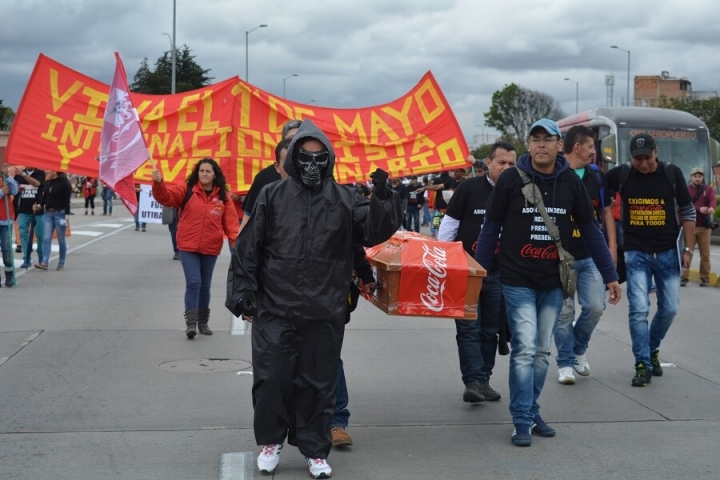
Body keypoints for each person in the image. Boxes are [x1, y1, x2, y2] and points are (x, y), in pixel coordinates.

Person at [227, 119, 401, 478]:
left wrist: (383, 198)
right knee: (272, 377)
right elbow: (248, 249)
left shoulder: (345, 198)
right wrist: (244, 294)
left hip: (324, 308)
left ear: (329, 160)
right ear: (291, 160)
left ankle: (314, 449)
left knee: (318, 382)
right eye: (303, 157)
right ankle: (271, 441)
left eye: (318, 157)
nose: (310, 165)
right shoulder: (272, 196)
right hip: (275, 307)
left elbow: (372, 232)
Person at [474, 119, 621, 447]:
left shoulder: (571, 182)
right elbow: (490, 226)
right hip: (517, 279)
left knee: (541, 352)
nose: (541, 145)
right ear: (529, 144)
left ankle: (531, 408)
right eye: (535, 139)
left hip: (555, 282)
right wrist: (479, 271)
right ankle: (522, 418)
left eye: (548, 139)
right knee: (525, 348)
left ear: (559, 146)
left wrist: (610, 275)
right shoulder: (511, 179)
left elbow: (590, 229)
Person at [606, 133, 695, 387]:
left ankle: (651, 348)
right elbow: (593, 185)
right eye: (637, 159)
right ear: (631, 157)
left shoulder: (671, 173)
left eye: (647, 157)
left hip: (668, 252)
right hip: (636, 253)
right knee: (639, 309)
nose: (643, 163)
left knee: (669, 309)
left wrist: (688, 249)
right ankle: (642, 363)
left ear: (656, 152)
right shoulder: (622, 175)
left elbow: (688, 212)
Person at [438, 141, 517, 403]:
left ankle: (484, 380)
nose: (506, 168)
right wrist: (444, 262)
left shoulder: (520, 191)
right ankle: (472, 382)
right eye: (501, 163)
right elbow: (449, 226)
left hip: (499, 274)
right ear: (489, 163)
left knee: (491, 330)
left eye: (512, 164)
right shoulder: (469, 188)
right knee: (469, 329)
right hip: (466, 272)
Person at [552, 126, 617, 385]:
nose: (594, 152)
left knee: (595, 307)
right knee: (564, 313)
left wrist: (611, 248)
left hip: (590, 255)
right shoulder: (555, 175)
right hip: (561, 257)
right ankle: (565, 362)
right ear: (577, 147)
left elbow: (606, 213)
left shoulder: (596, 176)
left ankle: (578, 349)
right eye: (591, 146)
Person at [152, 158, 238, 339]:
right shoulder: (187, 189)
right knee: (194, 283)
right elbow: (166, 197)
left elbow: (231, 225)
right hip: (188, 246)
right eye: (201, 171)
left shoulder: (223, 196)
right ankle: (191, 324)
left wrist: (236, 246)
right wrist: (158, 183)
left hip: (211, 247)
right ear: (197, 173)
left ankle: (203, 322)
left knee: (205, 286)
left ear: (215, 174)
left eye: (208, 171)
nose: (204, 174)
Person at [330, 244, 377, 448]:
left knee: (329, 356)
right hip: (288, 291)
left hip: (331, 292)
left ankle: (336, 422)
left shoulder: (339, 211)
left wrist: (367, 276)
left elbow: (352, 237)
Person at [238, 119, 302, 233]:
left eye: (300, 138)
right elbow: (248, 218)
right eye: (291, 138)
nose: (295, 142)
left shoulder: (318, 176)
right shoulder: (264, 177)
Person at [681, 167, 716, 287]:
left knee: (705, 254)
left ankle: (704, 278)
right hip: (690, 226)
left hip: (704, 227)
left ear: (702, 178)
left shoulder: (708, 189)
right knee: (687, 252)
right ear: (691, 177)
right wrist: (699, 209)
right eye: (695, 176)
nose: (697, 179)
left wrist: (711, 208)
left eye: (699, 176)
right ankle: (684, 277)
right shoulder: (686, 190)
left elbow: (713, 201)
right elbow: (684, 205)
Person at [34, 170, 72, 271]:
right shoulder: (47, 182)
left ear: (55, 171)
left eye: (50, 170)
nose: (47, 171)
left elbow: (67, 201)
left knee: (61, 240)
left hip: (60, 214)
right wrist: (39, 205)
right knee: (47, 238)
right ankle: (44, 262)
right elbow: (44, 198)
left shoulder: (65, 184)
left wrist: (67, 216)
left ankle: (61, 263)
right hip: (48, 214)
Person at [13, 166, 45, 269]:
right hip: (23, 210)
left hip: (37, 210)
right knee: (23, 234)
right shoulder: (18, 175)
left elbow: (37, 184)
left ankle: (41, 257)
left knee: (40, 235)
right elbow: (14, 189)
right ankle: (26, 258)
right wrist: (17, 189)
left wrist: (23, 175)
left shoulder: (40, 173)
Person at [1, 164, 19, 287]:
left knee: (7, 249)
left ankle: (9, 275)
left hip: (5, 219)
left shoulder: (4, 178)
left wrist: (8, 177)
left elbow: (14, 191)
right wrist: (1, 192)